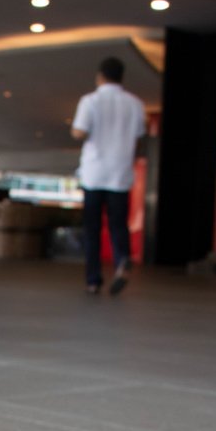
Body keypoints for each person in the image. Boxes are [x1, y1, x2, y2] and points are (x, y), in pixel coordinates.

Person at [71, 57, 146, 296]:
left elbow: (80, 131)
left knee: (92, 229)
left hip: (94, 173)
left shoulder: (90, 101)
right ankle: (122, 260)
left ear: (100, 76)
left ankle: (93, 281)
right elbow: (139, 134)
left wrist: (78, 131)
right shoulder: (135, 104)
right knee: (118, 224)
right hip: (120, 173)